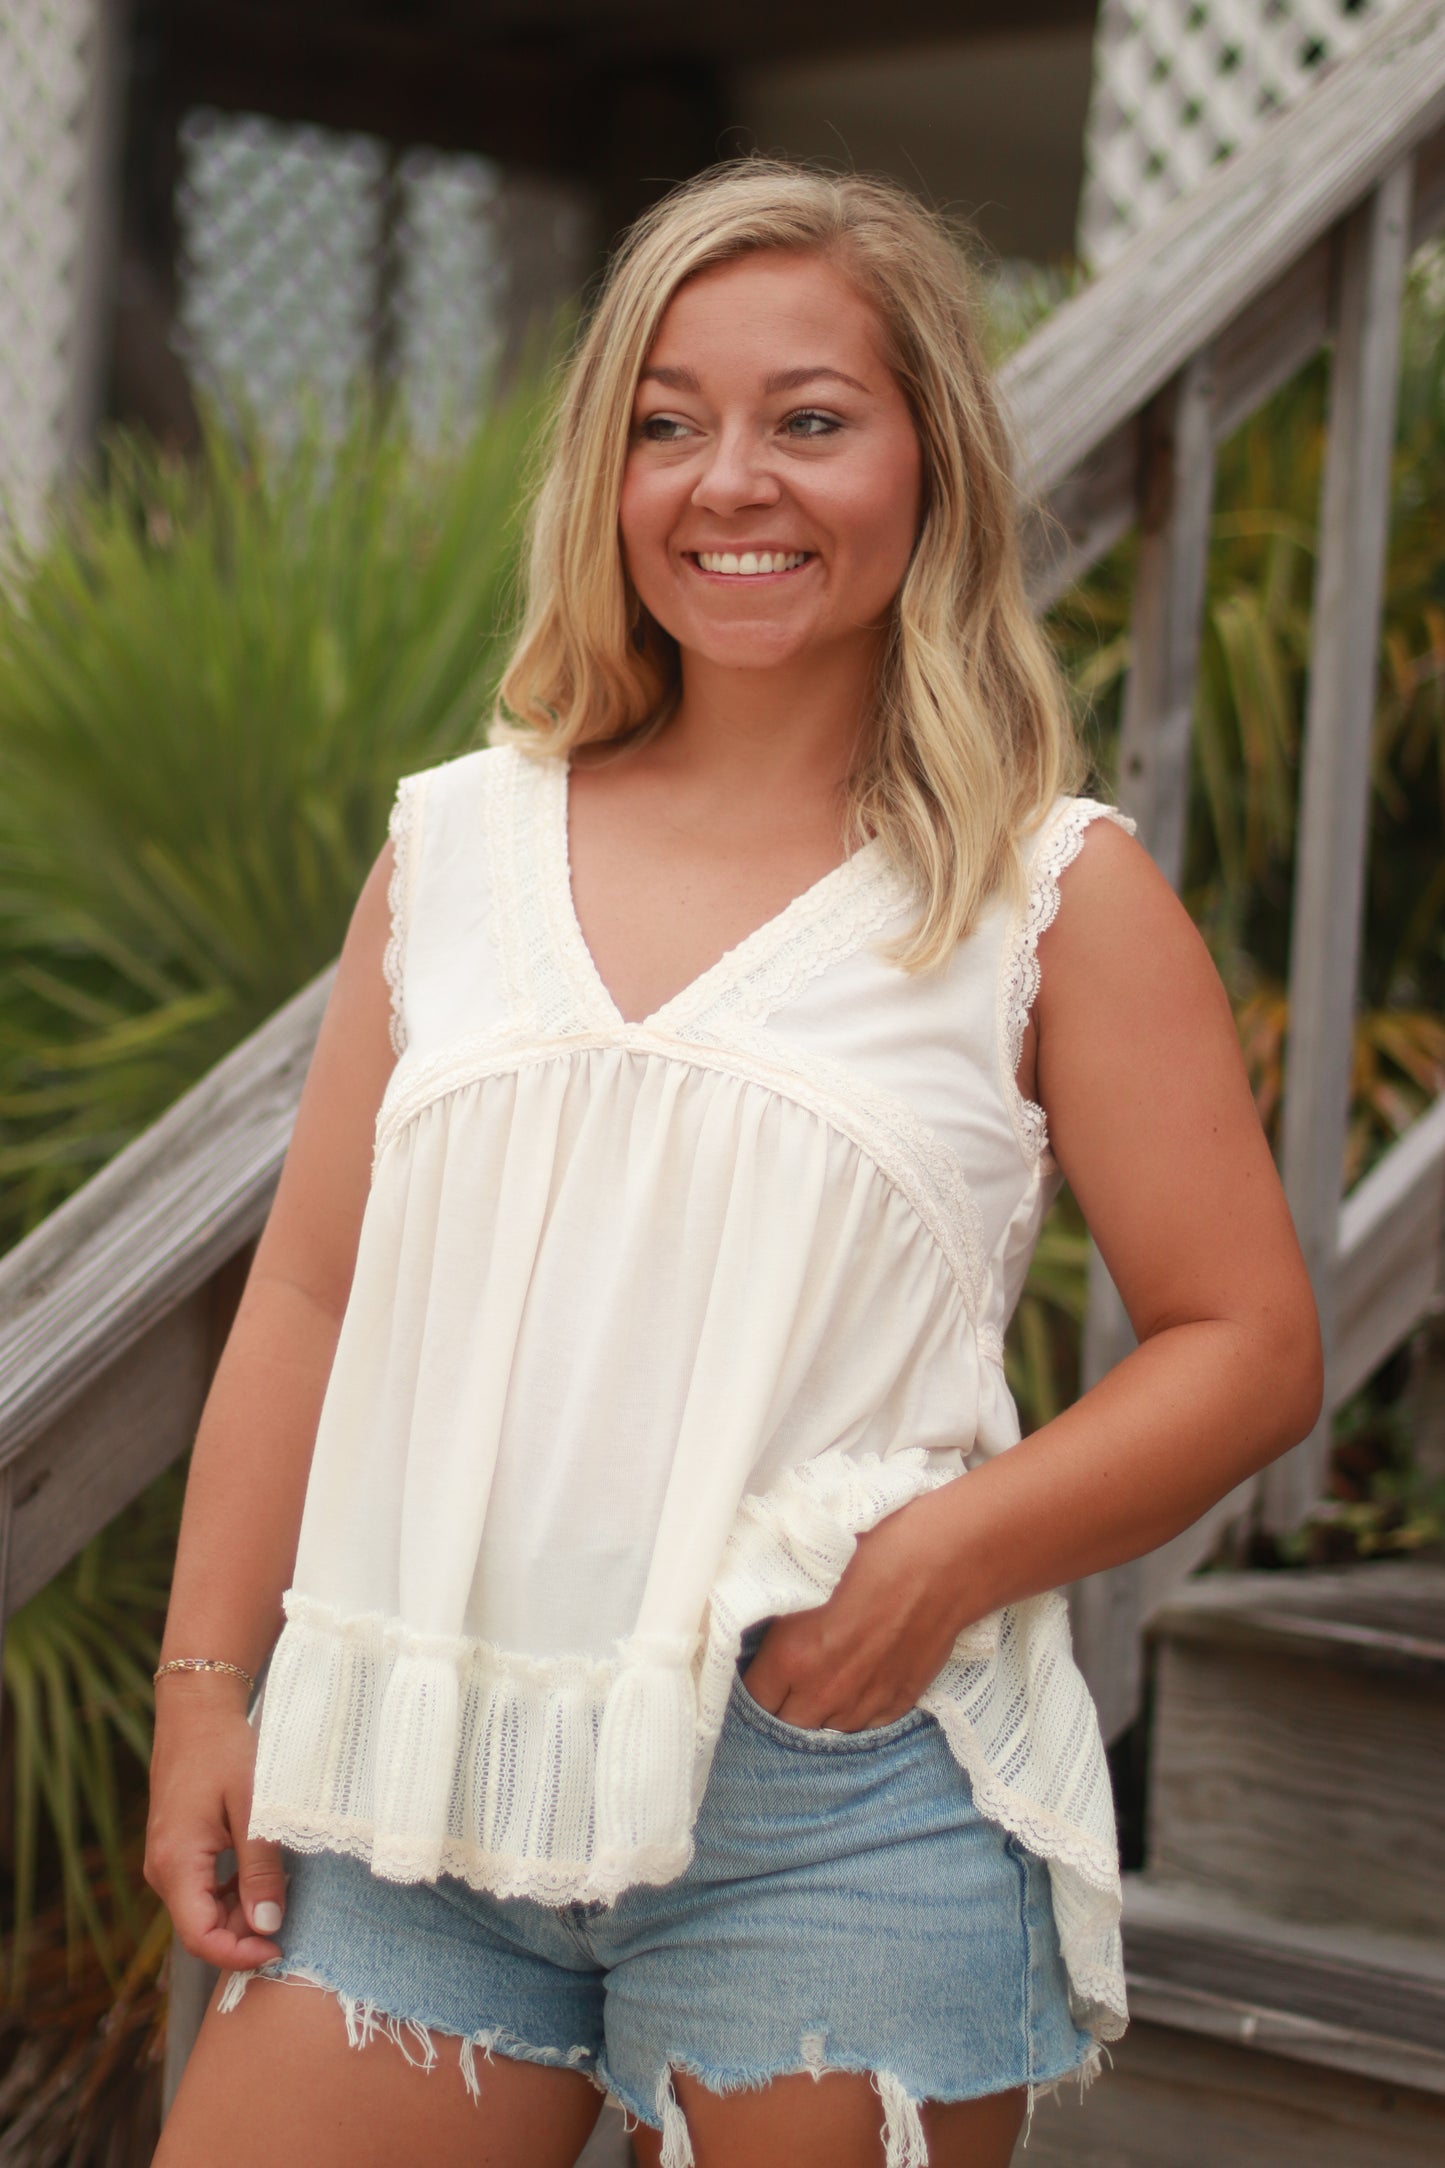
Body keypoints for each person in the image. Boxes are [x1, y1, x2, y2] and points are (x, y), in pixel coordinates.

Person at [146, 161, 1322, 2168]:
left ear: (927, 461)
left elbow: (1247, 1340)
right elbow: (311, 1291)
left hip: (829, 1799)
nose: (730, 482)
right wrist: (200, 1690)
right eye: (669, 425)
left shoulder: (1046, 893)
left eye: (810, 419)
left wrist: (945, 1558)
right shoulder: (457, 849)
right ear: (609, 475)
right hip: (428, 1771)